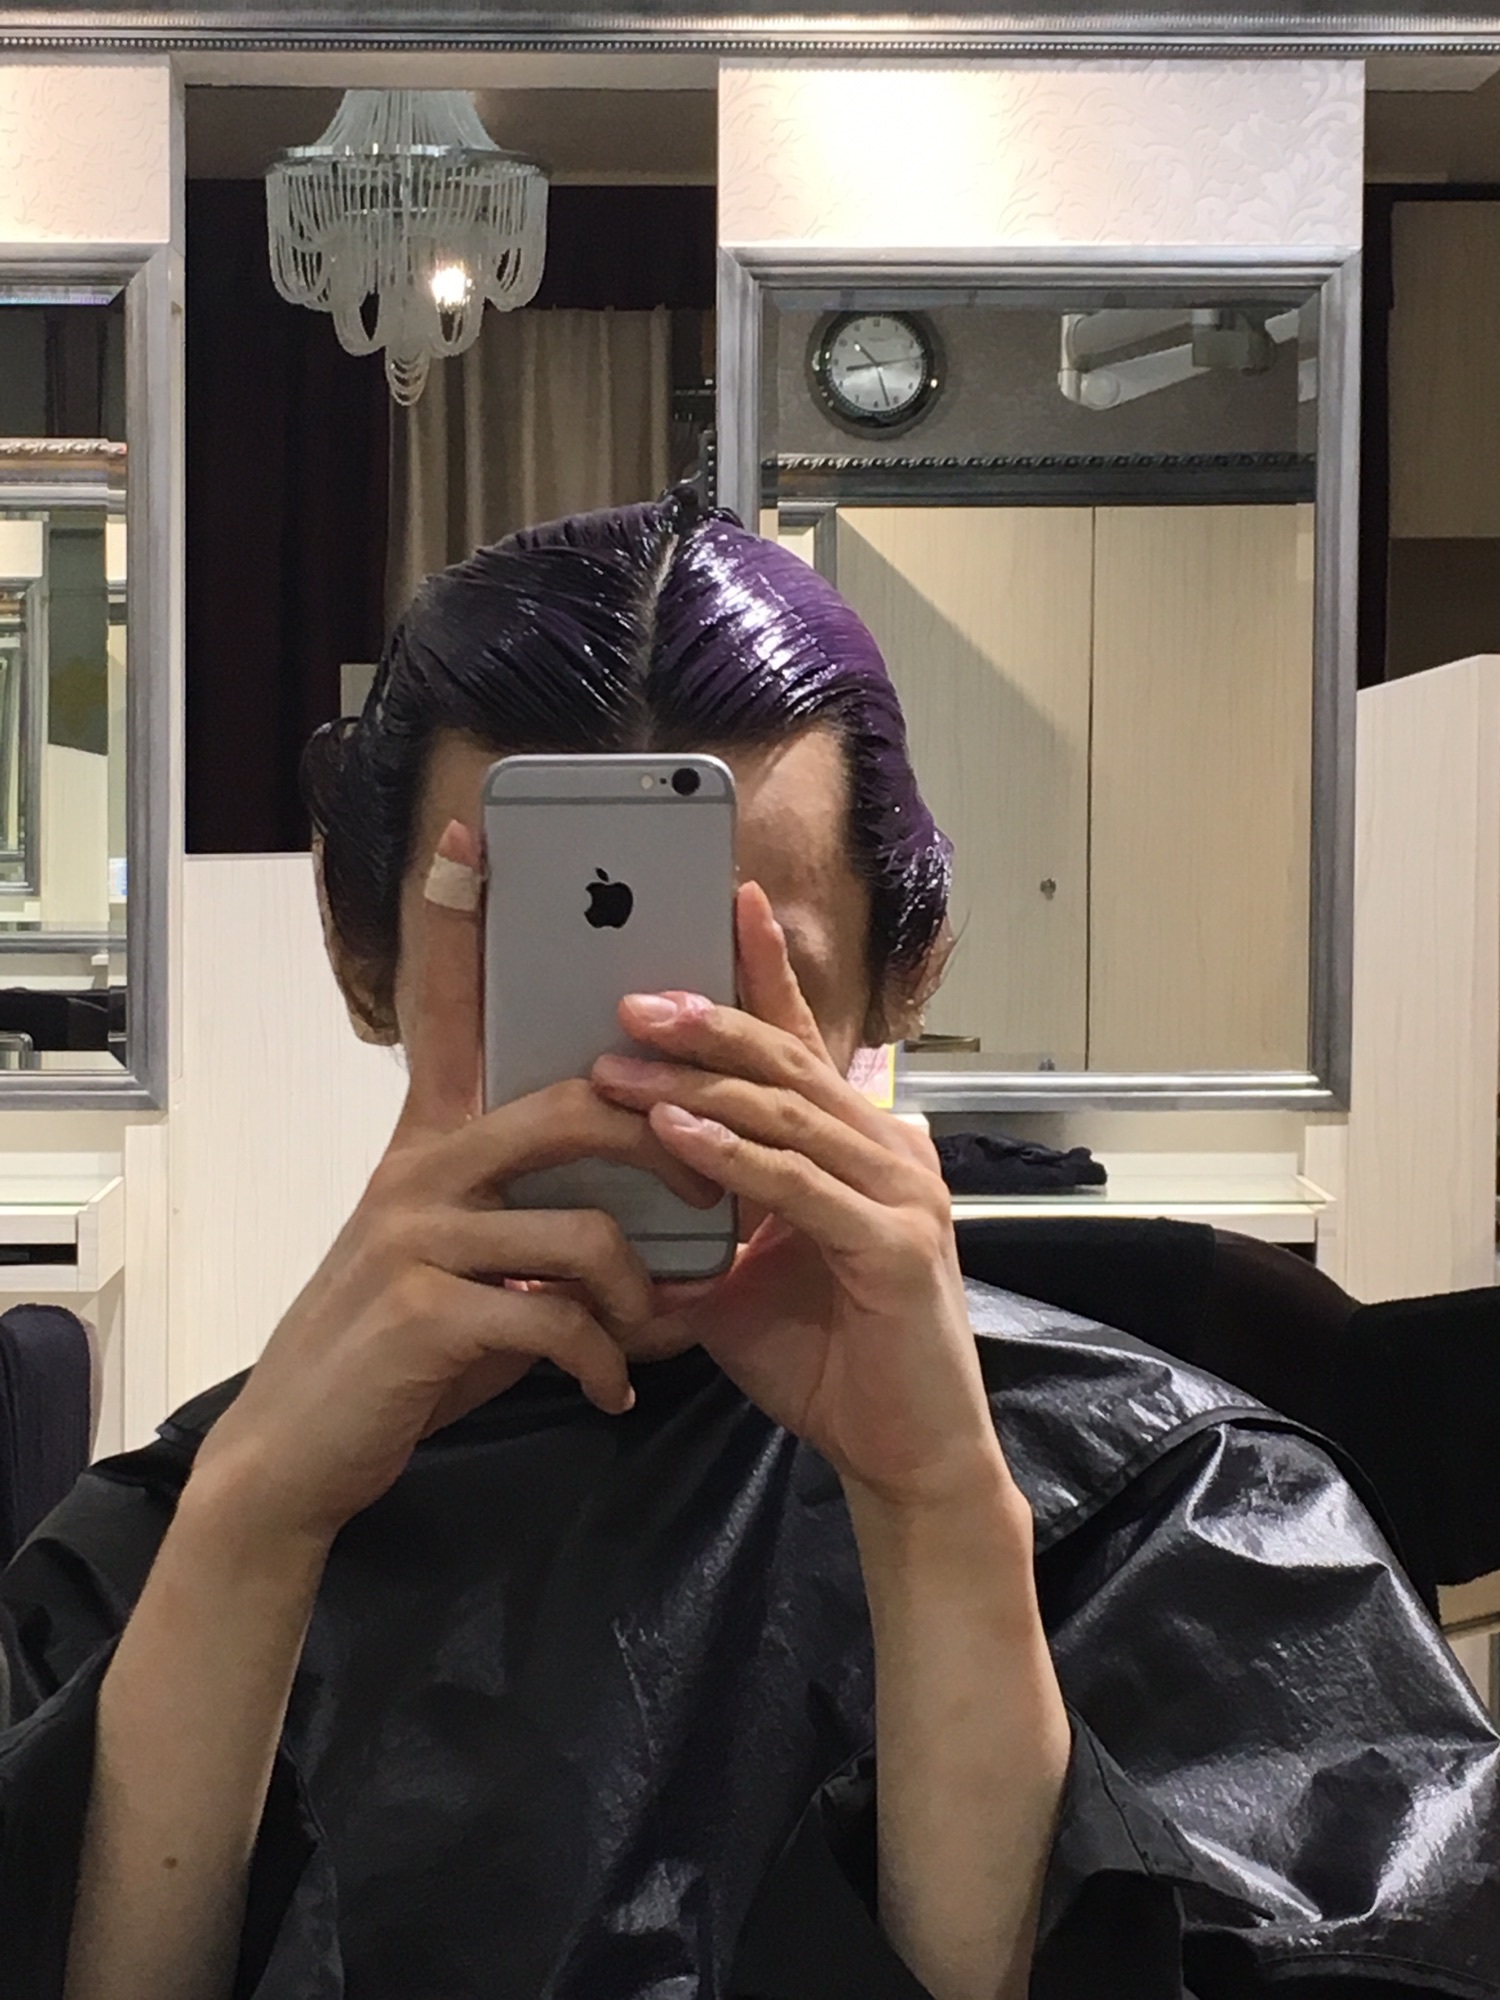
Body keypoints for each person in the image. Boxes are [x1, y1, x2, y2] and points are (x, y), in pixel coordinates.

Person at [1, 491, 1497, 2000]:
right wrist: (251, 1531)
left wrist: (940, 1528)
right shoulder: (174, 1538)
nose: (640, 1096)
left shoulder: (1186, 1520)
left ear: (908, 971)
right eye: (554, 993)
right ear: (362, 960)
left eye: (730, 1008)